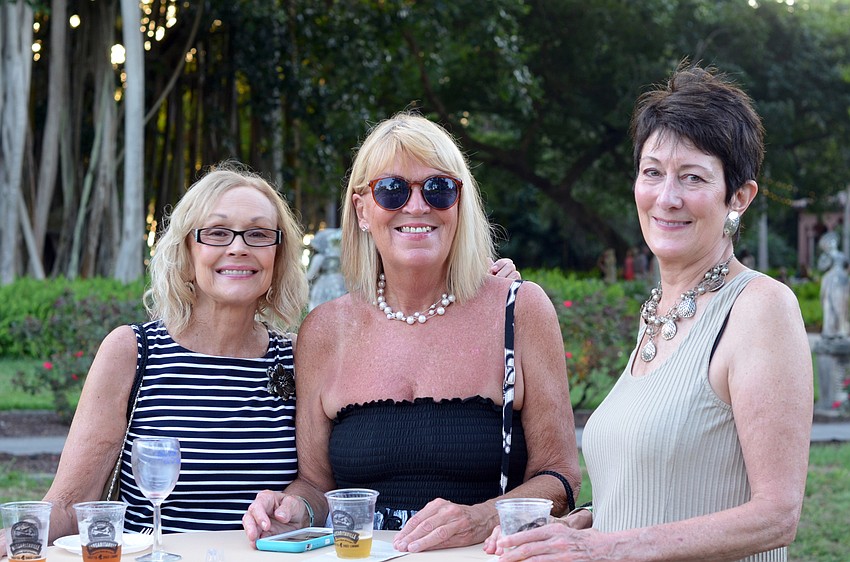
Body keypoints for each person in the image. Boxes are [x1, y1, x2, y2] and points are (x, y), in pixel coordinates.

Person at [486, 64, 812, 561]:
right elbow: (662, 490)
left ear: (739, 198)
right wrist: (584, 523)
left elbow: (776, 516)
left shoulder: (761, 309)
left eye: (693, 177)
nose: (667, 197)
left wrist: (608, 547)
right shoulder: (659, 314)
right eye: (653, 172)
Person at [243, 112, 581, 553]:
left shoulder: (520, 311)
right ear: (363, 209)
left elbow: (561, 478)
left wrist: (481, 518)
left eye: (439, 189)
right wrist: (290, 509)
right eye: (392, 190)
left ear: (460, 204)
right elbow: (315, 486)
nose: (417, 206)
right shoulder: (325, 330)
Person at [0, 165, 310, 547]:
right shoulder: (132, 351)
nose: (238, 246)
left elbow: (313, 484)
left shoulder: (296, 358)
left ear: (278, 256)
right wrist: (15, 539)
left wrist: (292, 505)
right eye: (216, 232)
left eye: (259, 234)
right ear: (187, 251)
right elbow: (68, 505)